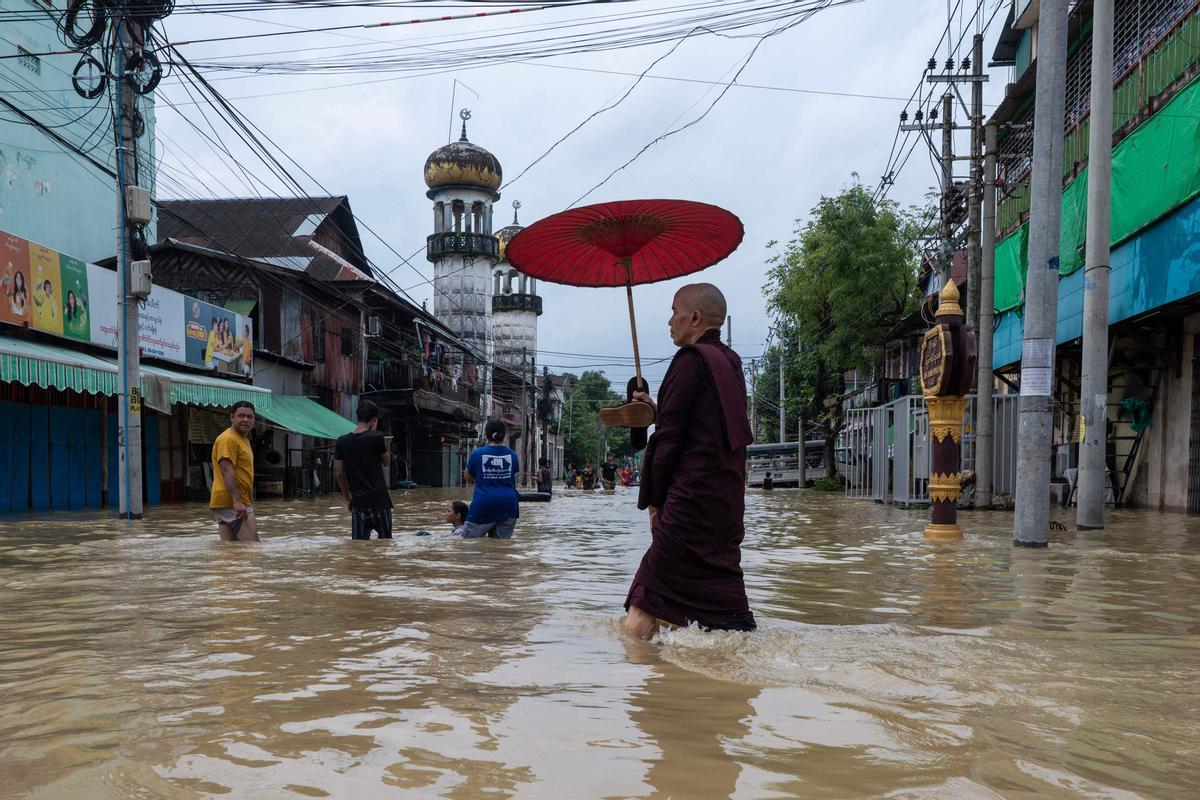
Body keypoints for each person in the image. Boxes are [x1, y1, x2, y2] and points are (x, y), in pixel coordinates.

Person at [623, 283, 756, 638]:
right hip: (723, 510)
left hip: (687, 511)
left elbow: (669, 442)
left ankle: (635, 684)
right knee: (730, 621)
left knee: (641, 612)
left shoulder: (690, 361)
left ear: (694, 318)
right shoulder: (730, 361)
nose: (670, 321)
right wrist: (658, 410)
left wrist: (653, 502)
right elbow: (705, 426)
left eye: (674, 312)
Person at [334, 401, 393, 540]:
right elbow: (386, 462)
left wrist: (348, 499)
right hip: (380, 502)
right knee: (385, 544)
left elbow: (339, 474)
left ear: (357, 418)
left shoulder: (341, 441)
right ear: (374, 420)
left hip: (359, 503)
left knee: (358, 546)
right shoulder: (376, 438)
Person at [462, 419, 519, 538]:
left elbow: (467, 477)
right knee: (499, 550)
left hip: (484, 504)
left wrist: (476, 479)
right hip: (509, 505)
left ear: (486, 435)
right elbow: (512, 476)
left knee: (468, 545)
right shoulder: (512, 455)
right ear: (503, 436)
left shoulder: (477, 453)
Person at [210, 401, 259, 542]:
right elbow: (227, 470)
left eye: (250, 417)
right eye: (241, 416)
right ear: (232, 417)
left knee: (232, 552)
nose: (245, 419)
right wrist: (237, 501)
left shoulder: (243, 440)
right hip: (232, 501)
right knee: (251, 547)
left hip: (230, 501)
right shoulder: (228, 439)